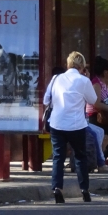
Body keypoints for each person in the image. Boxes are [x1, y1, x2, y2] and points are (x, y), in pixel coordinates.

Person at [44, 52, 97, 203]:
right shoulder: (83, 80)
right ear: (82, 67)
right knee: (80, 156)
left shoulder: (56, 78)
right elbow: (93, 100)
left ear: (67, 64)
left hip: (57, 123)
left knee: (58, 157)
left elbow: (46, 100)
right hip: (76, 125)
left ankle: (57, 188)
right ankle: (84, 190)